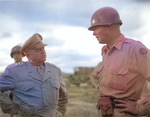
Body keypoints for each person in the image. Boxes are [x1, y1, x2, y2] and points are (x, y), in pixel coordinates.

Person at [88, 6, 150, 117]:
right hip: (105, 111)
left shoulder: (135, 50)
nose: (93, 33)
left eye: (95, 28)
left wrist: (142, 108)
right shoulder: (105, 51)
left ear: (109, 26)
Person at [0, 33, 68, 117]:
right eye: (37, 50)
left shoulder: (55, 70)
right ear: (28, 55)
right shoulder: (13, 71)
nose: (43, 51)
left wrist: (60, 111)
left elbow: (63, 95)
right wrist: (11, 108)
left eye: (43, 48)